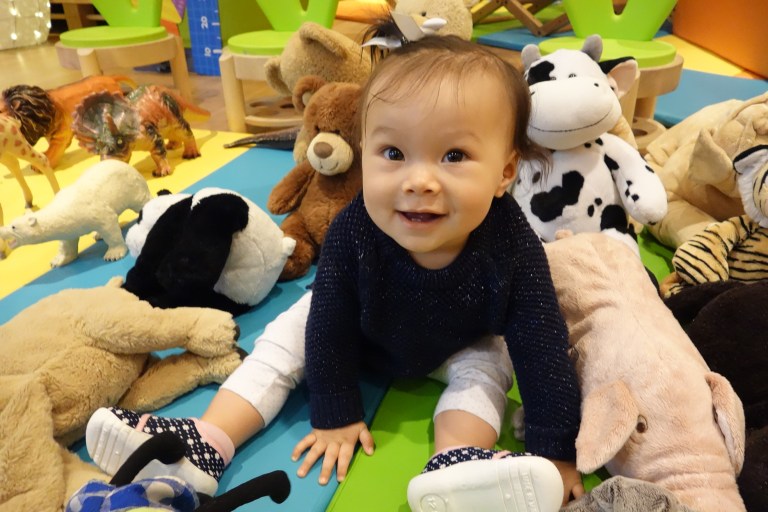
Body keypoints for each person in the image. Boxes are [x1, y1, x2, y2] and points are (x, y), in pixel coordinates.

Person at [86, 35, 583, 510]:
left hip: (457, 339)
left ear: (504, 172)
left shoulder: (513, 246)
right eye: (393, 153)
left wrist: (555, 451)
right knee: (283, 339)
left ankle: (455, 466)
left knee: (487, 368)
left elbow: (542, 345)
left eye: (454, 156)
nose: (419, 181)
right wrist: (337, 412)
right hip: (358, 328)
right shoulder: (355, 231)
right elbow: (329, 324)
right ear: (365, 153)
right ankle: (205, 442)